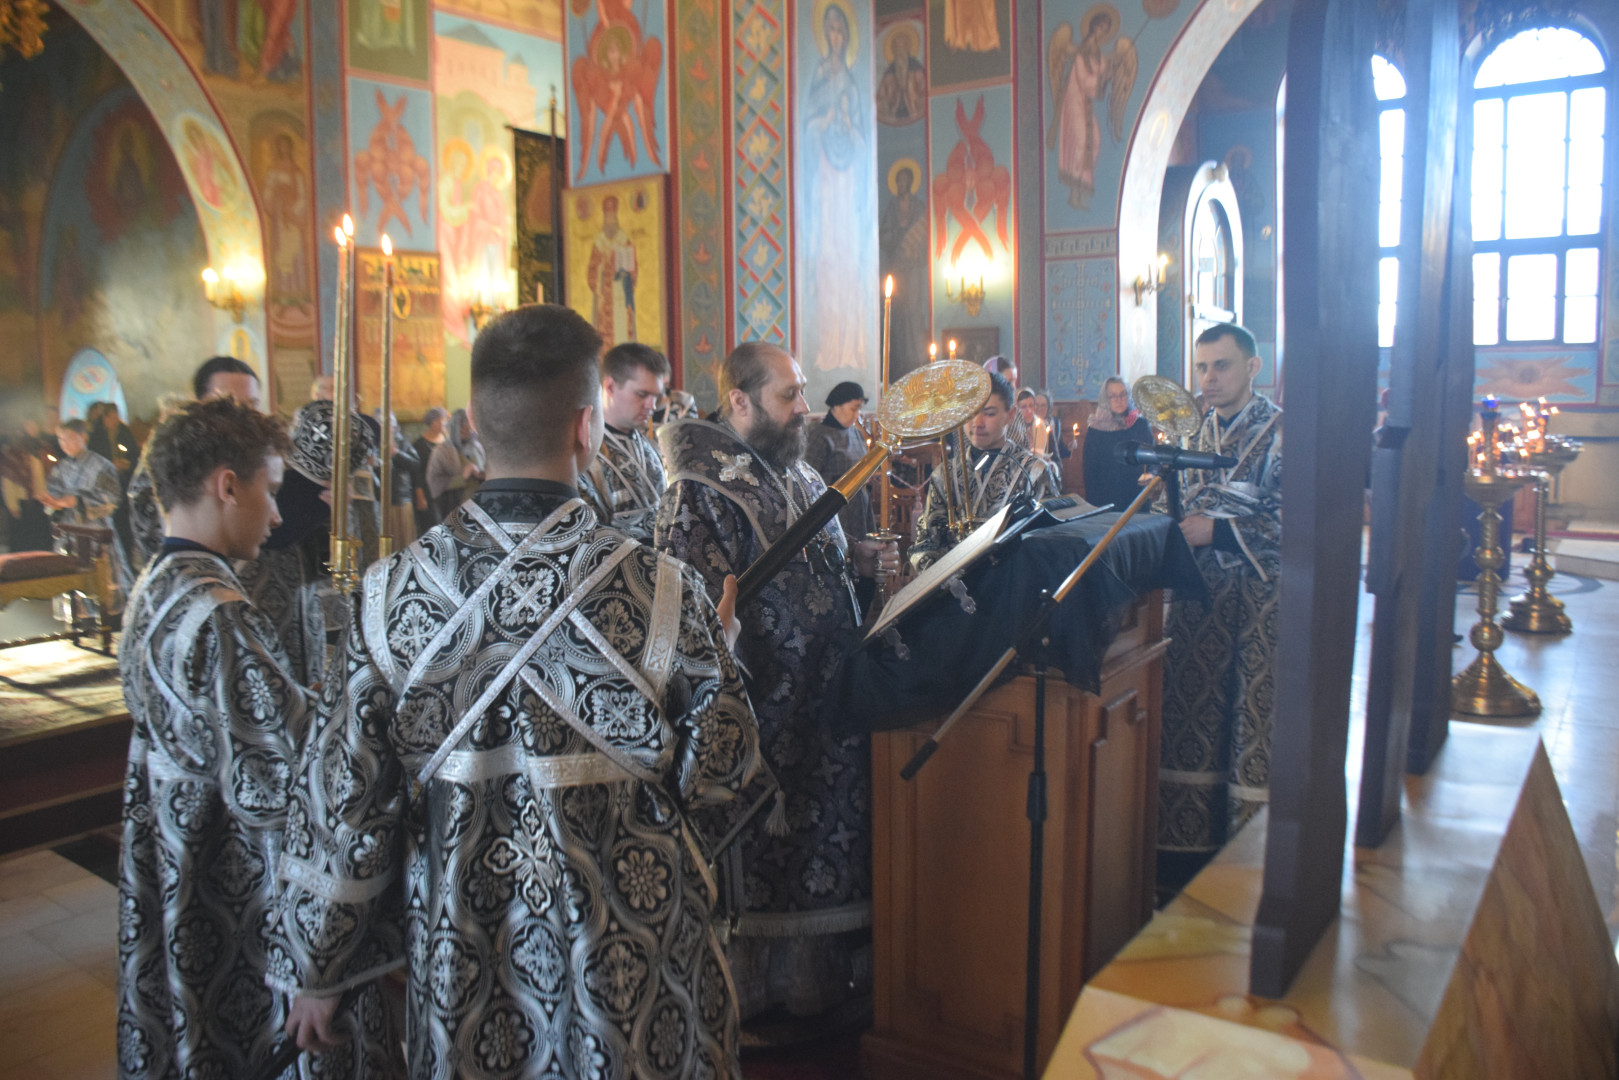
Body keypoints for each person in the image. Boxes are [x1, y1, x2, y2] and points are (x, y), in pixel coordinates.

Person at [271, 304, 761, 1079]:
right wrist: (720, 655)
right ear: (587, 428)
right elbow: (721, 770)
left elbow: (345, 803)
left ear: (472, 425)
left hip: (466, 954)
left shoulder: (389, 596)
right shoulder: (660, 590)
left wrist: (317, 963)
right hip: (632, 958)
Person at [115, 397, 394, 1078]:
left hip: (178, 851)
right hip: (234, 873)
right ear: (226, 486)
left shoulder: (156, 585)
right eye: (269, 491)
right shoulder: (219, 615)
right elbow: (289, 784)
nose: (276, 514)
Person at [656, 342, 899, 1033]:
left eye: (802, 391)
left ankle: (814, 982)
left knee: (823, 834)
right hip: (760, 705)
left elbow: (816, 557)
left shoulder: (794, 468)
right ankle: (756, 993)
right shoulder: (697, 487)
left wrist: (855, 558)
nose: (804, 408)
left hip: (824, 696)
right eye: (788, 395)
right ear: (739, 400)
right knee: (767, 850)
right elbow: (688, 603)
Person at [1157, 322, 1283, 893]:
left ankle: (1247, 862)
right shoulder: (1190, 434)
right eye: (1202, 367)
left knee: (1246, 724)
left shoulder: (1281, 432)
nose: (1208, 378)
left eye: (1222, 366)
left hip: (1257, 605)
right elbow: (1170, 505)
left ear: (1253, 367)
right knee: (1189, 720)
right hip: (1195, 600)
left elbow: (1297, 516)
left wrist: (1220, 530)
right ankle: (1183, 860)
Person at [235, 398, 377, 687]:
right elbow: (276, 534)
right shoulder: (282, 485)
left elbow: (329, 566)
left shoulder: (324, 495)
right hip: (263, 595)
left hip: (306, 604)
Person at [910, 372, 1059, 571]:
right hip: (953, 584)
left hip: (1014, 582)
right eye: (970, 412)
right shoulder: (945, 474)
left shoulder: (1033, 472)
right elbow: (925, 543)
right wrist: (943, 578)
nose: (977, 423)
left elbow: (1051, 543)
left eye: (989, 413)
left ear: (1010, 415)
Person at [126, 356, 262, 570]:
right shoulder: (172, 457)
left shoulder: (264, 455)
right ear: (201, 404)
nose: (244, 414)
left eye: (252, 404)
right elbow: (151, 530)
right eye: (231, 403)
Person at [581, 342, 669, 541]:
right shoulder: (585, 453)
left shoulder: (652, 447)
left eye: (655, 397)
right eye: (642, 394)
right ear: (610, 387)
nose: (652, 406)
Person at [803, 380, 874, 547]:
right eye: (854, 409)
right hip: (834, 511)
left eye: (859, 409)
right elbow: (808, 480)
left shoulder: (856, 433)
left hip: (859, 506)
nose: (857, 415)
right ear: (836, 406)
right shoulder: (818, 435)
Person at [1083, 376, 1154, 511]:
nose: (1119, 400)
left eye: (1123, 394)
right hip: (1106, 499)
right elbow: (1090, 473)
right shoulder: (1096, 429)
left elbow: (1153, 459)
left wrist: (1151, 474)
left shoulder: (1140, 425)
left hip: (1137, 496)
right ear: (1106, 399)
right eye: (1113, 396)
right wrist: (1094, 508)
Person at [426, 407, 483, 517]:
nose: (466, 431)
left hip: (479, 507)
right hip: (454, 508)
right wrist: (462, 477)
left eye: (468, 427)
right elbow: (434, 482)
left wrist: (482, 475)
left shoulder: (477, 447)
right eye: (462, 427)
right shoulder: (441, 451)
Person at [410, 406, 447, 534]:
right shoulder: (420, 445)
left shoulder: (447, 441)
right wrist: (420, 496)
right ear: (434, 422)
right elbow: (417, 473)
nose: (445, 424)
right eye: (442, 420)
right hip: (429, 493)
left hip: (448, 492)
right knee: (433, 527)